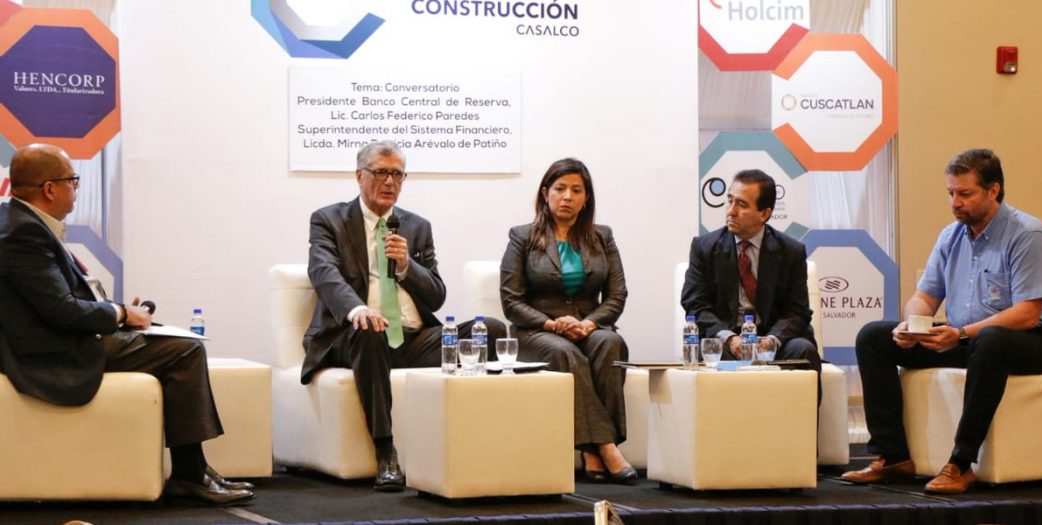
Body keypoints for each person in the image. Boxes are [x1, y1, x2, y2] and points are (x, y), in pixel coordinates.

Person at [0, 144, 253, 505]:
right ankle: (190, 474)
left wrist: (122, 314)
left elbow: (56, 301)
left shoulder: (21, 223)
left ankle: (194, 471)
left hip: (60, 336)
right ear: (50, 189)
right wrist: (119, 314)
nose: (76, 189)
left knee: (170, 341)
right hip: (52, 351)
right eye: (73, 180)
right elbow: (60, 310)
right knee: (184, 351)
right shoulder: (22, 233)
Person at [301, 140, 505, 492]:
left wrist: (407, 266)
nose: (390, 182)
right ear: (359, 175)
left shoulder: (416, 226)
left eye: (397, 174)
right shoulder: (329, 220)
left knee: (491, 329)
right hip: (353, 336)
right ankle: (385, 453)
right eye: (381, 172)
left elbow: (436, 296)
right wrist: (357, 309)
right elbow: (324, 273)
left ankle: (483, 444)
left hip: (412, 338)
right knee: (370, 330)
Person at [842, 149, 1042, 494]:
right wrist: (914, 325)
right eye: (951, 193)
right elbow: (924, 297)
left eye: (965, 193)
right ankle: (892, 456)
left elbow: (1027, 313)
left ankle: (961, 463)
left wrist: (962, 334)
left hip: (1029, 341)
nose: (955, 202)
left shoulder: (1028, 234)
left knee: (991, 339)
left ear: (994, 190)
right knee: (874, 336)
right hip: (968, 339)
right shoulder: (951, 236)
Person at [500, 158, 636, 483]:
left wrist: (589, 324)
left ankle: (591, 450)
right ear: (545, 193)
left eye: (576, 190)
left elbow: (617, 295)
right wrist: (551, 324)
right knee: (565, 353)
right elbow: (511, 300)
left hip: (587, 327)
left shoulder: (602, 237)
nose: (567, 196)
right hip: (536, 332)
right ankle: (605, 447)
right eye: (560, 189)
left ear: (586, 197)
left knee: (610, 343)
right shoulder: (522, 237)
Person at [681, 169, 822, 391]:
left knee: (803, 350)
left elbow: (798, 311)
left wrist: (771, 340)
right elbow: (695, 304)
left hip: (775, 340)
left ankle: (803, 416)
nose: (731, 211)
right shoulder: (704, 247)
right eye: (730, 201)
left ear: (764, 213)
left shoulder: (791, 251)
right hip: (728, 339)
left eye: (741, 205)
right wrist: (730, 338)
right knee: (708, 350)